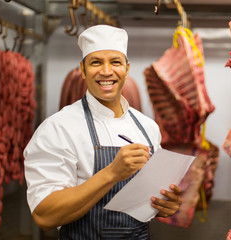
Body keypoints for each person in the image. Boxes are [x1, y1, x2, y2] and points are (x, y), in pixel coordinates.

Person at [24, 25, 182, 239]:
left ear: (126, 68)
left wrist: (165, 204)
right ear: (82, 69)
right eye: (96, 62)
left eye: (115, 62)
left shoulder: (147, 127)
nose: (106, 71)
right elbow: (45, 216)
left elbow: (149, 198)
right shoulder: (58, 128)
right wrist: (111, 173)